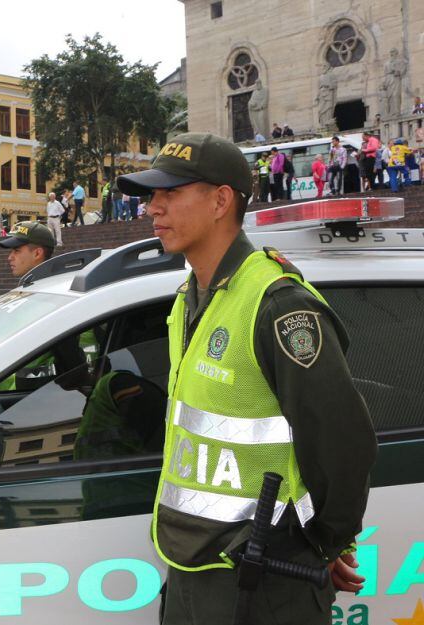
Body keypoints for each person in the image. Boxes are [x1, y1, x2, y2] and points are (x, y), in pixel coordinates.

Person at [116, 131, 375, 625]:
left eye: (170, 193)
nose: (153, 207)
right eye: (153, 195)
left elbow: (342, 440)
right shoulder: (191, 295)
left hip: (266, 576)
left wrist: (326, 542)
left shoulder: (277, 304)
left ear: (220, 201)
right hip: (192, 563)